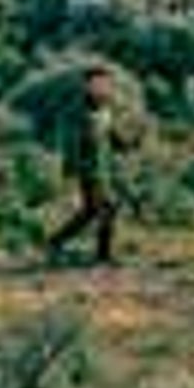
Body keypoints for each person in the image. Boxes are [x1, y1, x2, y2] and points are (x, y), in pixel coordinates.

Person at [48, 71, 121, 266]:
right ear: (87, 85)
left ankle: (55, 241)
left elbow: (110, 136)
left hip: (103, 170)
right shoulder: (77, 111)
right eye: (97, 84)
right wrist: (70, 174)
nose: (102, 87)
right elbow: (70, 144)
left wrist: (126, 142)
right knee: (108, 208)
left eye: (105, 83)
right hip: (87, 170)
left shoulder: (106, 108)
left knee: (90, 212)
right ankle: (103, 256)